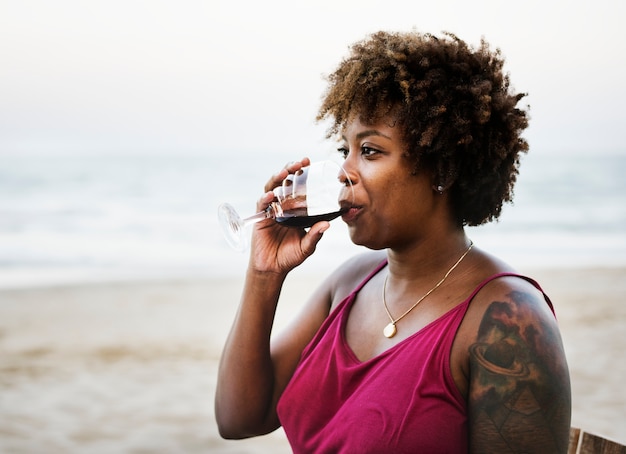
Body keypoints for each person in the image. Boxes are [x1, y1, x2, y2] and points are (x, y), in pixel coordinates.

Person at [215, 30, 571, 453]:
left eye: (369, 150)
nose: (344, 172)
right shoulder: (351, 283)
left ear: (442, 168)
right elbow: (239, 418)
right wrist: (264, 274)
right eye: (344, 149)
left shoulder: (509, 321)